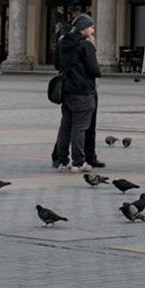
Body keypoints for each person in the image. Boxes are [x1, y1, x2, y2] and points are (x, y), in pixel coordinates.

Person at [52, 14, 104, 171]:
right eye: (91, 27)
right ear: (83, 28)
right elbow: (93, 69)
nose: (93, 30)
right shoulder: (84, 46)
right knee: (80, 128)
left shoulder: (62, 43)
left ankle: (62, 160)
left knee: (65, 126)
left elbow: (56, 64)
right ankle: (78, 161)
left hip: (66, 91)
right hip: (83, 90)